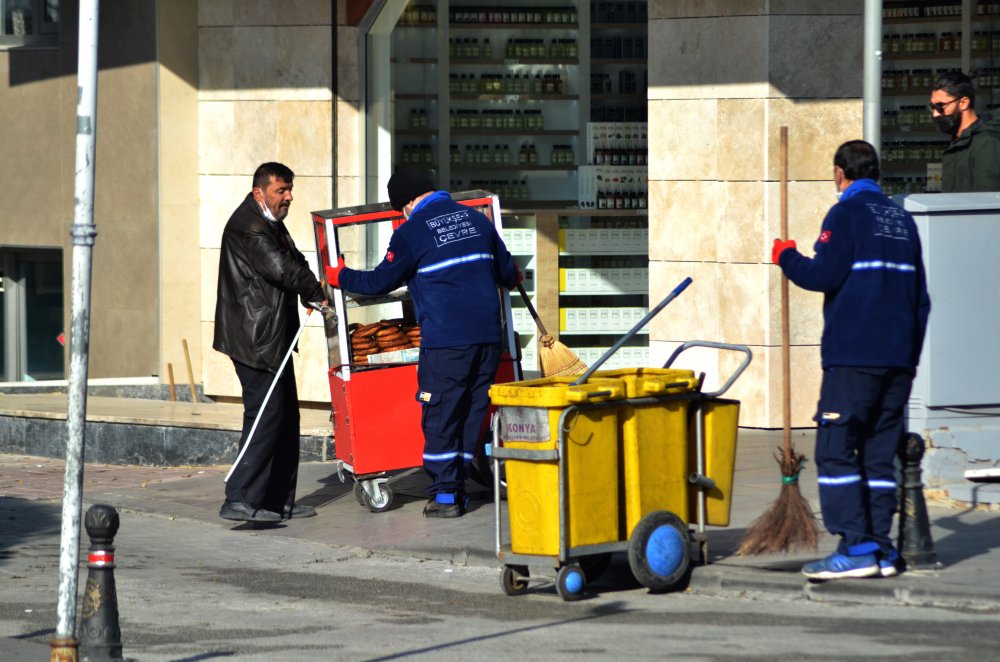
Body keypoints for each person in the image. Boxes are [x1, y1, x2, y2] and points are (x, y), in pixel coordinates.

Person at [772, 140, 931, 580]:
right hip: (897, 360)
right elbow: (922, 300)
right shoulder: (902, 219)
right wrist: (910, 360)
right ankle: (881, 550)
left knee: (836, 449)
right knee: (880, 457)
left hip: (853, 355)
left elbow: (823, 274)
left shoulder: (844, 214)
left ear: (840, 173)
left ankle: (856, 547)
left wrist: (786, 256)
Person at [325, 168, 520, 518]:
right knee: (470, 414)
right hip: (489, 339)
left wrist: (340, 276)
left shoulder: (412, 231)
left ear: (406, 203)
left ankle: (446, 497)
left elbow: (380, 282)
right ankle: (458, 488)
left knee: (441, 415)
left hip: (447, 342)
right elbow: (509, 272)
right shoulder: (476, 220)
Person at [214, 162, 326, 523]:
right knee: (265, 415)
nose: (289, 197)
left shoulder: (270, 222)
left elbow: (294, 259)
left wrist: (313, 289)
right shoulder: (250, 226)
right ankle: (240, 497)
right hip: (255, 337)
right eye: (281, 191)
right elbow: (281, 268)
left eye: (290, 189)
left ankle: (277, 500)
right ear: (259, 191)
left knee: (285, 415)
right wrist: (315, 291)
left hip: (273, 336)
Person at [930, 71, 1000, 192]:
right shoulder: (958, 143)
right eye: (933, 107)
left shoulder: (986, 142)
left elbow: (989, 203)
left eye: (940, 106)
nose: (935, 113)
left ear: (963, 103)